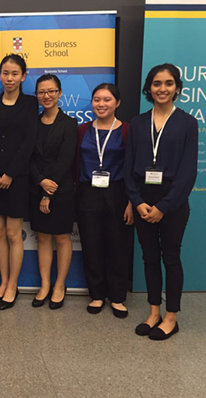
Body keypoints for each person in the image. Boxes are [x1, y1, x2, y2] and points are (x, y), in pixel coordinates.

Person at [125, 63, 198, 340]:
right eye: (157, 83)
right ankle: (154, 312)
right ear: (149, 88)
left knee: (171, 258)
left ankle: (171, 317)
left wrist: (164, 207)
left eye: (168, 83)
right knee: (149, 258)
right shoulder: (138, 123)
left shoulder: (187, 123)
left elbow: (188, 172)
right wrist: (136, 201)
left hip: (173, 203)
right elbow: (129, 166)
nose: (162, 88)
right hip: (143, 202)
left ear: (177, 88)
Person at [0, 54, 38, 310]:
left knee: (14, 234)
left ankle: (13, 285)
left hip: (17, 179)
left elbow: (29, 142)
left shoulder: (30, 104)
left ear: (23, 76)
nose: (9, 78)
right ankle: (3, 283)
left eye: (15, 73)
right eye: (5, 73)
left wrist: (10, 174)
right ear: (0, 75)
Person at [76, 83, 133, 317]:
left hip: (118, 193)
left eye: (107, 99)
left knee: (118, 245)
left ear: (117, 103)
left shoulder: (128, 130)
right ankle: (97, 295)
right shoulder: (82, 130)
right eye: (97, 99)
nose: (101, 104)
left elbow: (134, 167)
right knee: (92, 245)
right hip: (87, 193)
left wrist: (131, 201)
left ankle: (117, 297)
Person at [29, 74, 78, 309]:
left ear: (59, 93)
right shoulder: (32, 124)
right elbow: (28, 157)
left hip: (62, 190)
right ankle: (45, 285)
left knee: (61, 237)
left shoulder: (69, 124)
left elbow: (66, 160)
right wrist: (40, 182)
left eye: (51, 91)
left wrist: (48, 193)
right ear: (37, 95)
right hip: (36, 187)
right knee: (43, 237)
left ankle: (60, 285)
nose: (46, 96)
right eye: (41, 92)